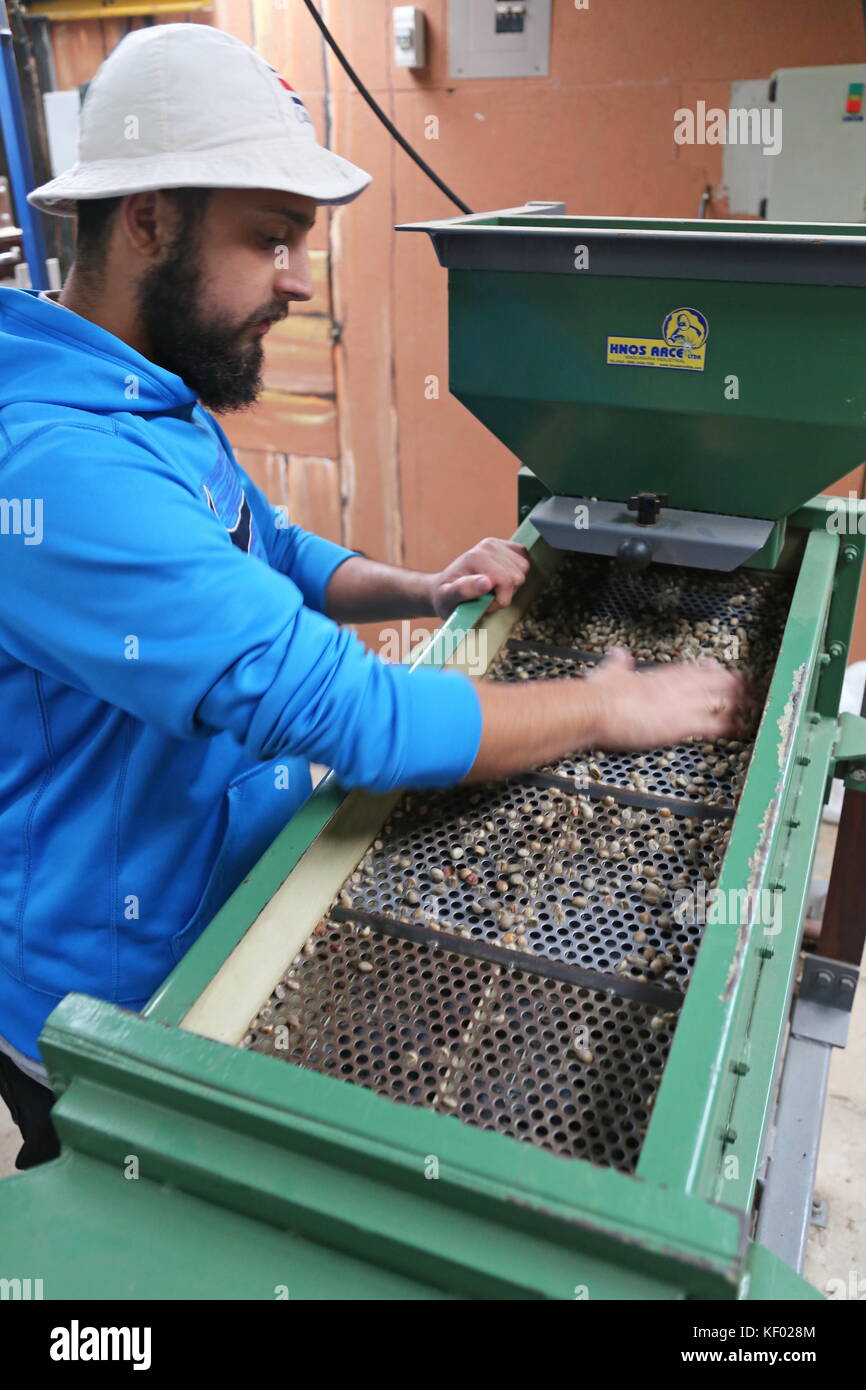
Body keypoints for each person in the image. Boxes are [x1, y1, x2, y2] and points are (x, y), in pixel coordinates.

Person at [0, 24, 743, 1170]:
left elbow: (269, 544)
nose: (299, 281)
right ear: (146, 219)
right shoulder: (57, 467)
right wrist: (605, 708)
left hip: (232, 880)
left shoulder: (146, 392)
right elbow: (361, 717)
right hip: (118, 1002)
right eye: (270, 239)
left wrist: (418, 583)